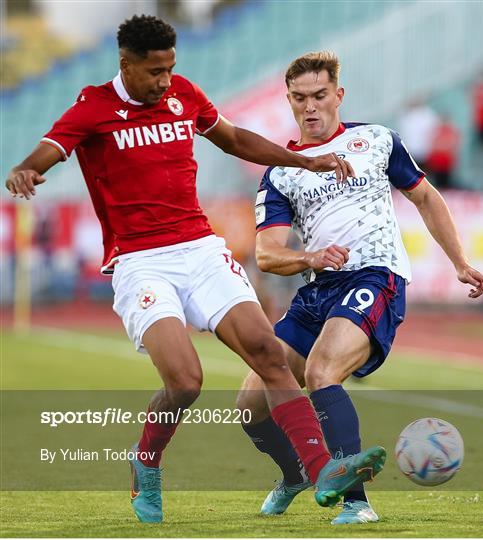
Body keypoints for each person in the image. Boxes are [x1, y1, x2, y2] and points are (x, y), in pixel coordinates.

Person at [5, 17, 388, 524]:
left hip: (200, 249)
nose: (165, 81)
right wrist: (29, 167)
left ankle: (322, 470)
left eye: (170, 69)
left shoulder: (183, 94)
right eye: (154, 71)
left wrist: (305, 163)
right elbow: (54, 147)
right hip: (141, 262)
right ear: (126, 65)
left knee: (269, 352)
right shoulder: (94, 106)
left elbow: (234, 140)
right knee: (186, 381)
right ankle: (146, 460)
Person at [236, 51, 483, 525]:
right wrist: (308, 258)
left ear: (338, 94)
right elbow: (268, 253)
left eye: (318, 95)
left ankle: (355, 502)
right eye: (298, 98)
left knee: (321, 370)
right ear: (288, 101)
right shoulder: (282, 171)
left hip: (376, 276)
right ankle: (296, 474)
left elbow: (426, 197)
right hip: (317, 289)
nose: (309, 107)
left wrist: (459, 262)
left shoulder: (375, 141)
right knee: (251, 406)